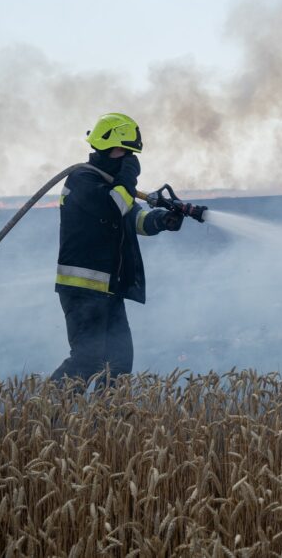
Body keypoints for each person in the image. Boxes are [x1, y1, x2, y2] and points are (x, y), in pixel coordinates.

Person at [52, 112, 184, 384]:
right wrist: (127, 179)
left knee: (119, 364)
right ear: (106, 146)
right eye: (124, 152)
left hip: (110, 290)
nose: (129, 160)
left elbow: (134, 218)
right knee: (87, 360)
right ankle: (44, 417)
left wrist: (162, 220)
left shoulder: (114, 187)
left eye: (131, 156)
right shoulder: (82, 180)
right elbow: (114, 209)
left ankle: (107, 424)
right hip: (83, 290)